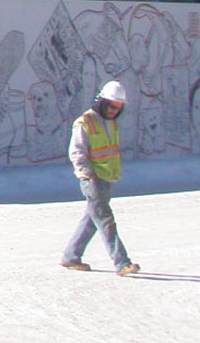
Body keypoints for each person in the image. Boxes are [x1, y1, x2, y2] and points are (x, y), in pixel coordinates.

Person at [61, 80, 139, 276]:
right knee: (105, 221)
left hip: (108, 179)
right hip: (93, 181)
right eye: (112, 107)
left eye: (118, 108)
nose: (114, 111)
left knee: (91, 220)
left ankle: (71, 256)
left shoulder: (110, 122)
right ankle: (122, 263)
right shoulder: (84, 122)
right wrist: (89, 175)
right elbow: (76, 152)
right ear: (103, 102)